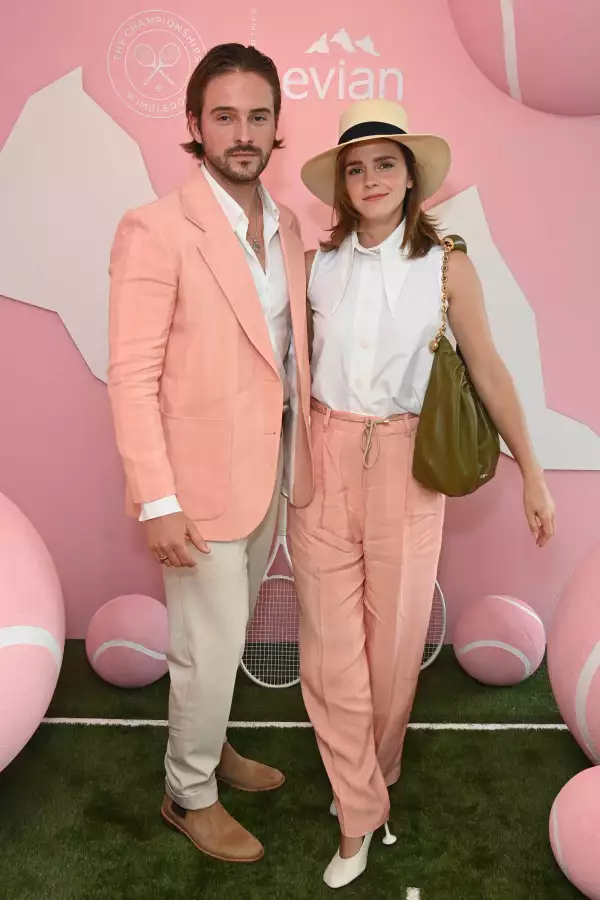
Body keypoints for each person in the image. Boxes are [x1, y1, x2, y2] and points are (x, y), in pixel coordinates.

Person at [288, 98, 556, 889]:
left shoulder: (447, 265)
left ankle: (372, 774)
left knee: (393, 650)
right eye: (357, 167)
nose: (370, 179)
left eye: (385, 164)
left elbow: (490, 372)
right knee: (330, 653)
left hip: (407, 465)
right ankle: (360, 815)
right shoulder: (318, 265)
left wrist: (532, 471)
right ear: (342, 185)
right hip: (325, 457)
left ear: (411, 178)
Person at [107, 43, 313, 864]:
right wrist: (157, 501)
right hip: (193, 490)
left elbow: (286, 354)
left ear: (275, 127)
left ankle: (212, 744)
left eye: (258, 116)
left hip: (268, 472)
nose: (243, 133)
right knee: (204, 644)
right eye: (224, 116)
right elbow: (131, 376)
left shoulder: (289, 224)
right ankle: (188, 792)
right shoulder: (155, 228)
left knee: (223, 640)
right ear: (195, 125)